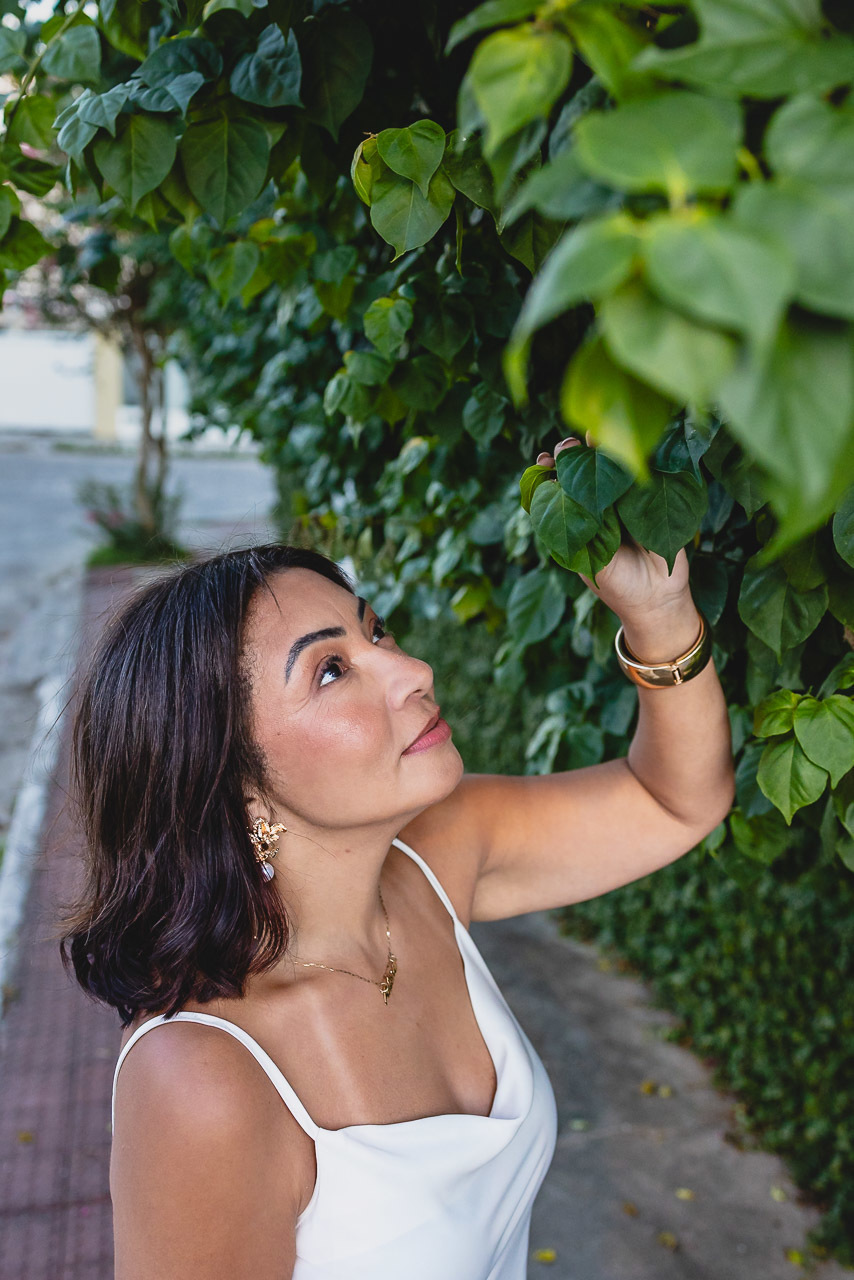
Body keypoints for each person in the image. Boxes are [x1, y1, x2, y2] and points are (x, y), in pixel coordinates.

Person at [60, 436, 735, 1279]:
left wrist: (659, 613)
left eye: (374, 629)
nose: (412, 668)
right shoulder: (204, 1079)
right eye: (331, 671)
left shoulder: (434, 858)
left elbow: (674, 802)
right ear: (229, 780)